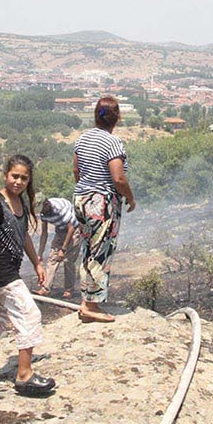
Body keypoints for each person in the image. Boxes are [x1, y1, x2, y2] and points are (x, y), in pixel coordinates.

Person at [0, 154, 56, 397]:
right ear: (5, 175)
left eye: (24, 178)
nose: (19, 181)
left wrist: (37, 262)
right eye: (15, 176)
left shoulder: (19, 203)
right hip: (0, 271)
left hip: (7, 270)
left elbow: (24, 236)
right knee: (30, 314)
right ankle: (24, 375)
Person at [72, 95, 136, 323]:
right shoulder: (113, 143)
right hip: (101, 202)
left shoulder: (82, 139)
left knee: (88, 250)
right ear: (117, 117)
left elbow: (77, 171)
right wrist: (130, 198)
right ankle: (92, 305)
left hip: (81, 199)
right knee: (100, 252)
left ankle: (86, 300)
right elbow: (118, 178)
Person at [35, 197, 80, 298]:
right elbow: (44, 233)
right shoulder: (43, 213)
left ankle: (69, 290)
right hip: (60, 230)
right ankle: (46, 289)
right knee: (52, 259)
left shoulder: (60, 209)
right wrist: (40, 254)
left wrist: (63, 249)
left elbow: (71, 228)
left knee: (68, 261)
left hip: (74, 230)